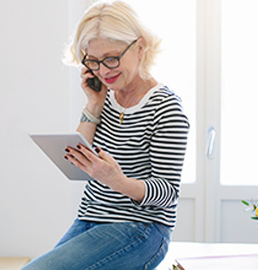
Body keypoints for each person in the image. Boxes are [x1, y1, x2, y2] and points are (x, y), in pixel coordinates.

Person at [22, 1, 189, 269]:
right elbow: (75, 164)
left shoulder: (166, 108)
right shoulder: (104, 96)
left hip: (140, 228)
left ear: (140, 47)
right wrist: (94, 105)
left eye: (111, 58)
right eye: (94, 61)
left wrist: (118, 181)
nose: (104, 71)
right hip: (90, 219)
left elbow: (167, 193)